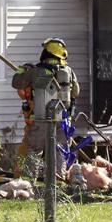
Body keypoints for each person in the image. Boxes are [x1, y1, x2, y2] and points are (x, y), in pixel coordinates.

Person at [10, 37, 79, 176]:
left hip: (42, 118)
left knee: (34, 149)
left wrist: (21, 70)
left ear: (47, 52)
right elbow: (76, 92)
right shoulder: (68, 71)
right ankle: (57, 181)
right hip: (63, 119)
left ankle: (30, 181)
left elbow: (17, 82)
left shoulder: (37, 71)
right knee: (59, 151)